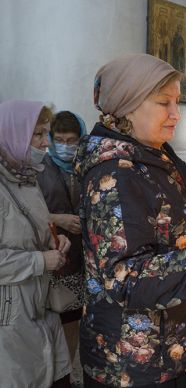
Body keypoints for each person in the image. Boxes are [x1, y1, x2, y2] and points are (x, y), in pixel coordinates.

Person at [76, 54, 186, 387]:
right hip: (135, 366)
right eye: (163, 103)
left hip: (173, 349)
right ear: (128, 107)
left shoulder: (154, 158)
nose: (176, 114)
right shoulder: (115, 174)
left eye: (177, 102)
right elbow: (124, 277)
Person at [0, 100, 72, 387]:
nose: (46, 144)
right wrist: (40, 261)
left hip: (40, 307)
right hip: (10, 316)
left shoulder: (27, 177)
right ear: (14, 134)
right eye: (37, 135)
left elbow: (34, 232)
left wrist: (56, 241)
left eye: (46, 134)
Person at [37, 111, 87, 361]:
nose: (65, 147)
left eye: (71, 140)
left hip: (80, 255)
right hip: (52, 252)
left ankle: (68, 367)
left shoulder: (85, 167)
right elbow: (31, 209)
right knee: (48, 315)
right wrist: (59, 219)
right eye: (59, 140)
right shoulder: (39, 167)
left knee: (72, 315)